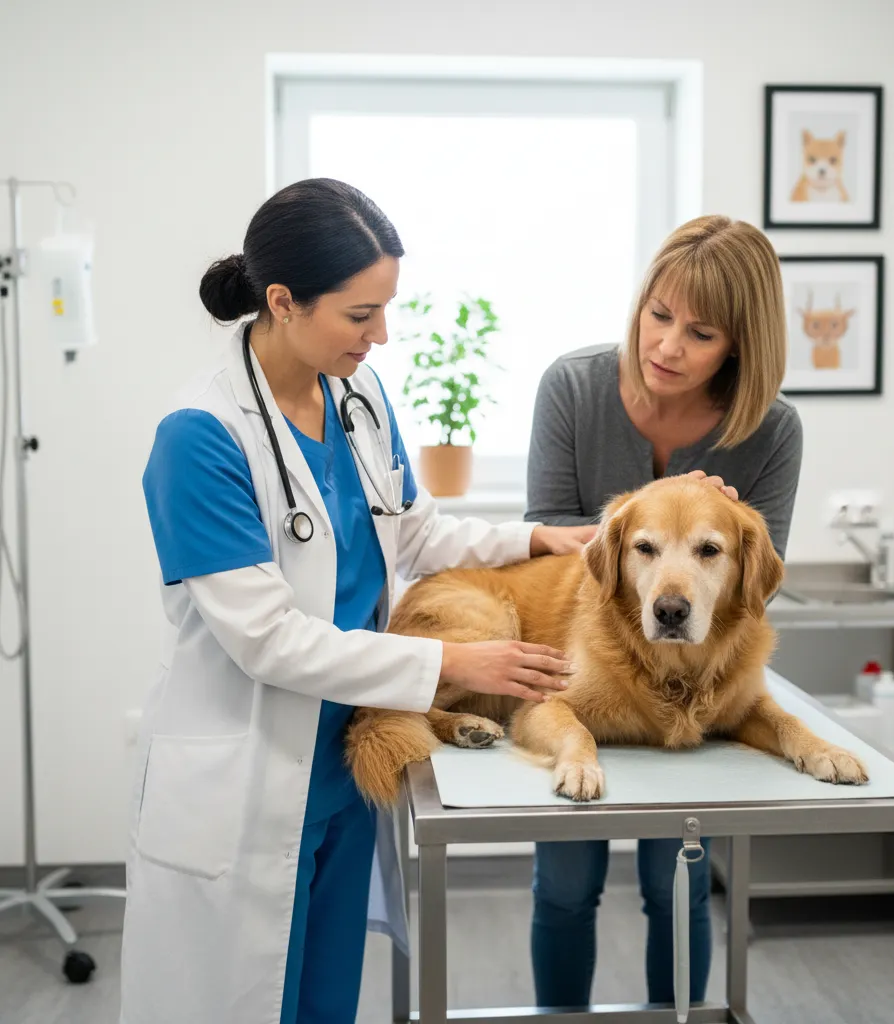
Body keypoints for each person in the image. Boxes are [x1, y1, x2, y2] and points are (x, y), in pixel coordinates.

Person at [120, 177, 594, 1024]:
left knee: (324, 999)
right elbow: (268, 641)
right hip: (246, 770)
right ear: (282, 302)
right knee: (238, 1000)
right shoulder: (200, 436)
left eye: (388, 309)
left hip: (342, 764)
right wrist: (453, 660)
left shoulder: (359, 401)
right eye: (360, 314)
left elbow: (413, 533)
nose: (381, 336)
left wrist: (537, 539)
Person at [524, 214, 802, 1008]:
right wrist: (648, 515)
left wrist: (724, 526)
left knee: (676, 884)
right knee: (566, 883)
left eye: (701, 331)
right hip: (588, 671)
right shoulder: (573, 387)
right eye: (658, 315)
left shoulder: (772, 430)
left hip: (699, 687)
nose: (668, 345)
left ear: (741, 345)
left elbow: (752, 585)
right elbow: (545, 547)